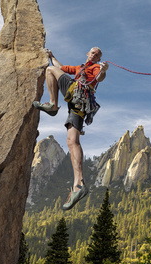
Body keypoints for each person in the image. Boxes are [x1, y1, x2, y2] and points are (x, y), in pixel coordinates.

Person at [33, 47, 109, 210]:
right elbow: (61, 67)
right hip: (78, 102)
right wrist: (52, 56)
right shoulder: (79, 68)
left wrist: (103, 70)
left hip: (78, 92)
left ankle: (53, 105)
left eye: (98, 54)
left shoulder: (96, 67)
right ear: (88, 54)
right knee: (72, 140)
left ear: (98, 58)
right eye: (93, 52)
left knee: (50, 70)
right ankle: (78, 185)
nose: (95, 54)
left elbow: (100, 77)